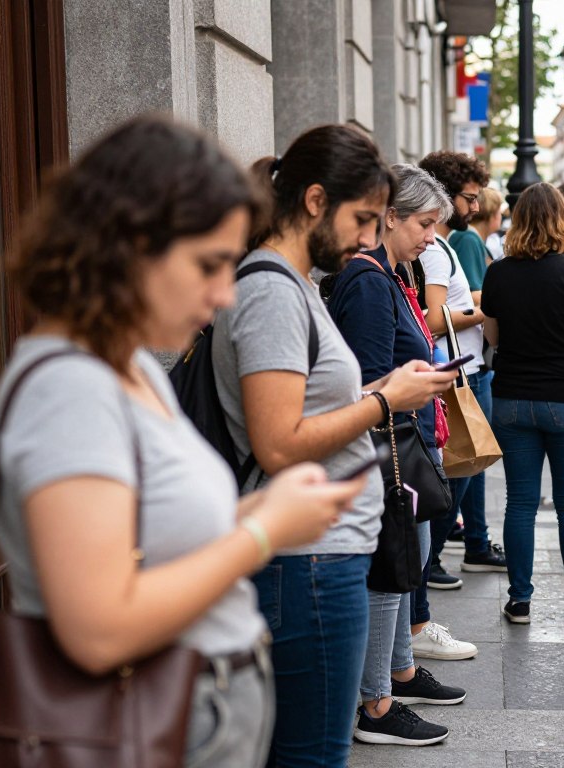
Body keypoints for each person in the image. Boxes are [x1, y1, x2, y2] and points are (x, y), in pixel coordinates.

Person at [0, 115, 364, 768]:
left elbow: (157, 539)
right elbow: (101, 628)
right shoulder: (71, 393)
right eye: (209, 264)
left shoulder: (126, 364)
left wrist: (262, 513)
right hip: (150, 725)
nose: (225, 292)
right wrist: (263, 533)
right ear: (131, 242)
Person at [210, 124, 455, 767]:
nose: (370, 239)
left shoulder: (296, 284)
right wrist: (383, 401)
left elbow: (304, 409)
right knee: (314, 755)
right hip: (308, 560)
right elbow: (280, 443)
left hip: (319, 554)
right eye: (364, 219)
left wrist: (388, 388)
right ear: (316, 201)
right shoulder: (270, 289)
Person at [328, 164, 472, 746]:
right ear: (388, 216)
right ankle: (377, 704)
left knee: (402, 563)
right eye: (423, 223)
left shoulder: (389, 274)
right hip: (381, 446)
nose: (431, 236)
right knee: (390, 569)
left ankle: (397, 676)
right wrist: (405, 387)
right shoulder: (367, 280)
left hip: (398, 440)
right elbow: (364, 381)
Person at [482, 181, 564, 629]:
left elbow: (493, 340)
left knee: (519, 503)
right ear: (562, 219)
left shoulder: (498, 273)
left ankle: (519, 602)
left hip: (511, 399)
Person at [418, 151, 507, 589]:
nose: (476, 206)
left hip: (464, 369)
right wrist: (482, 308)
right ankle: (428, 561)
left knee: (463, 470)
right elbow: (434, 319)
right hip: (457, 371)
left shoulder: (444, 243)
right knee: (457, 472)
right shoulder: (435, 250)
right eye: (469, 197)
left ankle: (433, 558)